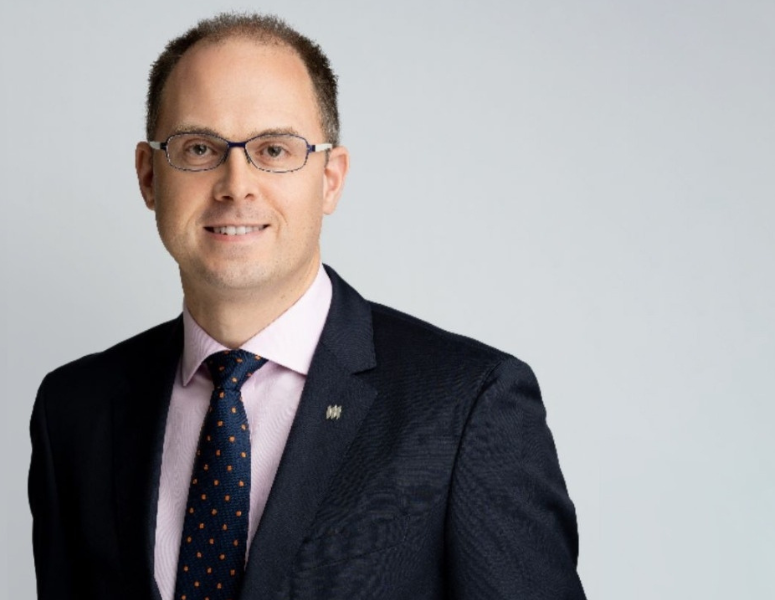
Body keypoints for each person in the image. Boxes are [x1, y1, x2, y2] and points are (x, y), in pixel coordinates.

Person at [29, 12, 586, 600]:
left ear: (330, 179)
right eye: (198, 148)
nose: (236, 185)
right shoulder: (76, 410)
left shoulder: (467, 404)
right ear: (148, 176)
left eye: (274, 149)